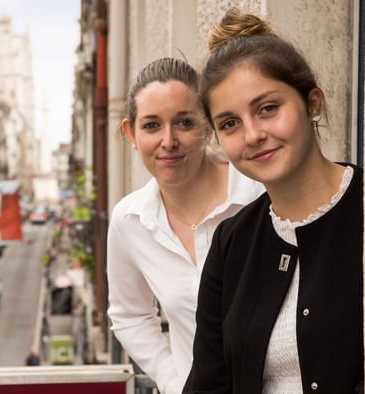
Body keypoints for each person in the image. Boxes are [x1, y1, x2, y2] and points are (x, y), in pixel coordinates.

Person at [184, 9, 363, 394]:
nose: (252, 135)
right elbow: (208, 383)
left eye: (268, 109)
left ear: (312, 103)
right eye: (230, 123)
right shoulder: (232, 242)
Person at [106, 57, 264, 394]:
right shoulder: (129, 221)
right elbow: (129, 315)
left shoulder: (257, 195)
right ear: (129, 133)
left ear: (207, 124)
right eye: (151, 125)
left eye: (184, 122)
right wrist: (175, 380)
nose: (168, 141)